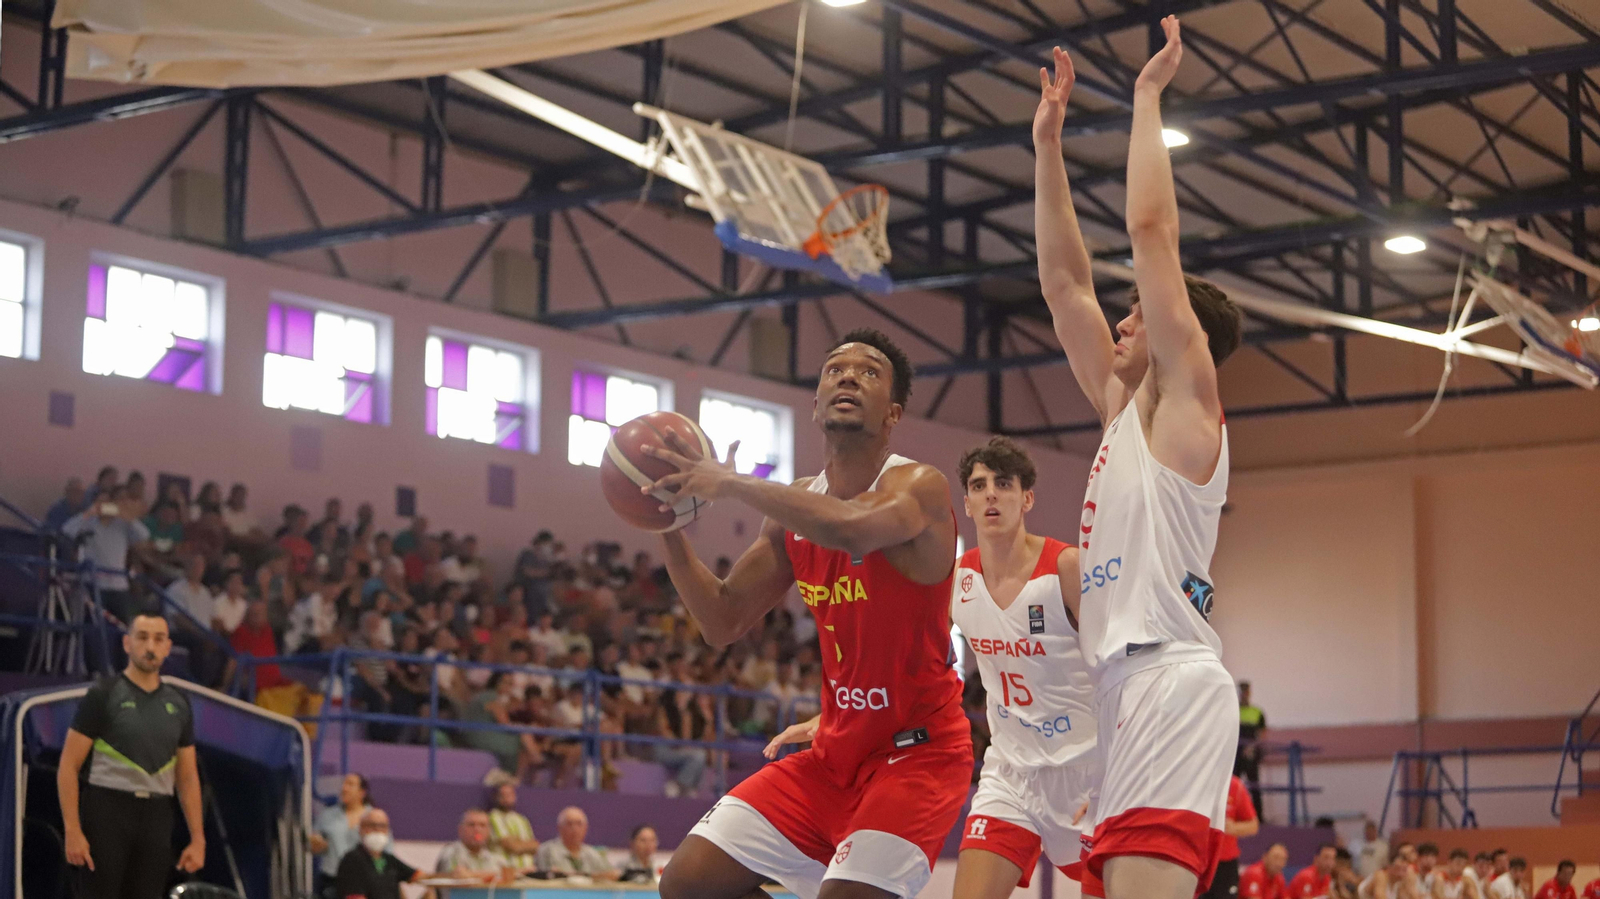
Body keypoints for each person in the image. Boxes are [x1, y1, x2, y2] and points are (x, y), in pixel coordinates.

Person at [646, 328, 972, 899]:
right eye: (833, 370)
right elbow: (721, 620)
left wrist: (732, 482)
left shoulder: (918, 485)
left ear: (893, 413)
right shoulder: (794, 507)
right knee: (687, 882)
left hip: (916, 756)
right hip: (832, 755)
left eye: (869, 372)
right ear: (815, 405)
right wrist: (668, 527)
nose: (847, 376)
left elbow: (848, 526)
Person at [1033, 26, 1243, 899]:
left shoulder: (1186, 408)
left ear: (1167, 333)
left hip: (1168, 677)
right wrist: (1047, 147)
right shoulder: (1121, 411)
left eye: (1136, 316)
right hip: (1118, 691)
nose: (1119, 323)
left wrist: (1147, 98)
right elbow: (1063, 285)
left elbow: (1152, 230)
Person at [947, 436, 1097, 899]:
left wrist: (1120, 768)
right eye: (979, 485)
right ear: (967, 504)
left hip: (1089, 773)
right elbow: (911, 665)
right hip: (1010, 774)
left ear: (1026, 498)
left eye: (1004, 483)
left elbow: (1123, 673)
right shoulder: (957, 581)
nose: (991, 493)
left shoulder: (1067, 568)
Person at [56, 613, 205, 898]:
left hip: (157, 816)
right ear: (127, 644)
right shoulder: (103, 694)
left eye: (158, 639)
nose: (150, 646)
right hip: (107, 810)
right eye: (142, 637)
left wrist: (198, 838)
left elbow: (187, 776)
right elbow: (68, 766)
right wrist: (72, 830)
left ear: (168, 646)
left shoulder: (179, 702)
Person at [61, 486, 150, 622]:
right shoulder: (87, 523)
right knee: (91, 626)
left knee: (122, 628)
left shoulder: (123, 524)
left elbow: (144, 535)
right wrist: (88, 513)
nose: (104, 507)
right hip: (93, 584)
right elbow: (67, 530)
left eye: (108, 503)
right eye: (100, 503)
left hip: (119, 586)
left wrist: (128, 517)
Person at [334, 808, 428, 899]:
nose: (377, 829)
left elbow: (419, 876)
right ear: (361, 828)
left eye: (382, 826)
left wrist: (431, 886)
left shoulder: (389, 859)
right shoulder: (352, 860)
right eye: (372, 825)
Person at [310, 773, 373, 896]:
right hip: (331, 881)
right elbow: (314, 846)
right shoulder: (327, 815)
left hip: (362, 882)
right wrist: (316, 844)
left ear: (362, 792)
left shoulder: (374, 817)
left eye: (350, 784)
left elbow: (386, 853)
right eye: (344, 784)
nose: (344, 788)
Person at [1204, 775, 1262, 899]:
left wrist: (1233, 828)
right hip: (1199, 860)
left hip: (1226, 863)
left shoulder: (1235, 786)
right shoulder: (1198, 781)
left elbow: (1253, 825)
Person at [535, 806, 618, 880]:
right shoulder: (547, 850)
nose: (575, 829)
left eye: (579, 824)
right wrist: (594, 876)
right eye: (569, 824)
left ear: (586, 828)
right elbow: (552, 876)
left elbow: (612, 874)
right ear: (559, 828)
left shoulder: (592, 853)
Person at [435, 809, 511, 881]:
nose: (477, 829)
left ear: (489, 831)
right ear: (460, 829)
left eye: (482, 825)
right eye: (471, 825)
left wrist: (470, 874)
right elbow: (458, 875)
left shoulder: (497, 858)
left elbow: (508, 876)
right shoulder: (451, 852)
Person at [487, 783, 540, 873]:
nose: (507, 798)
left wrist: (517, 843)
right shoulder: (493, 817)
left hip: (529, 871)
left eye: (510, 794)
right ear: (496, 797)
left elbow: (535, 846)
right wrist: (522, 845)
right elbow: (512, 846)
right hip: (506, 873)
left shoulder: (522, 819)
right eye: (503, 795)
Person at [1237, 682, 1267, 816]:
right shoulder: (1232, 710)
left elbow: (1262, 734)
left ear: (1249, 693)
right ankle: (1234, 816)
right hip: (1235, 755)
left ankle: (1258, 817)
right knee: (1233, 786)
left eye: (1246, 691)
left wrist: (1252, 747)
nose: (1244, 694)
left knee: (1254, 785)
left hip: (1251, 754)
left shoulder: (1257, 712)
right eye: (1241, 691)